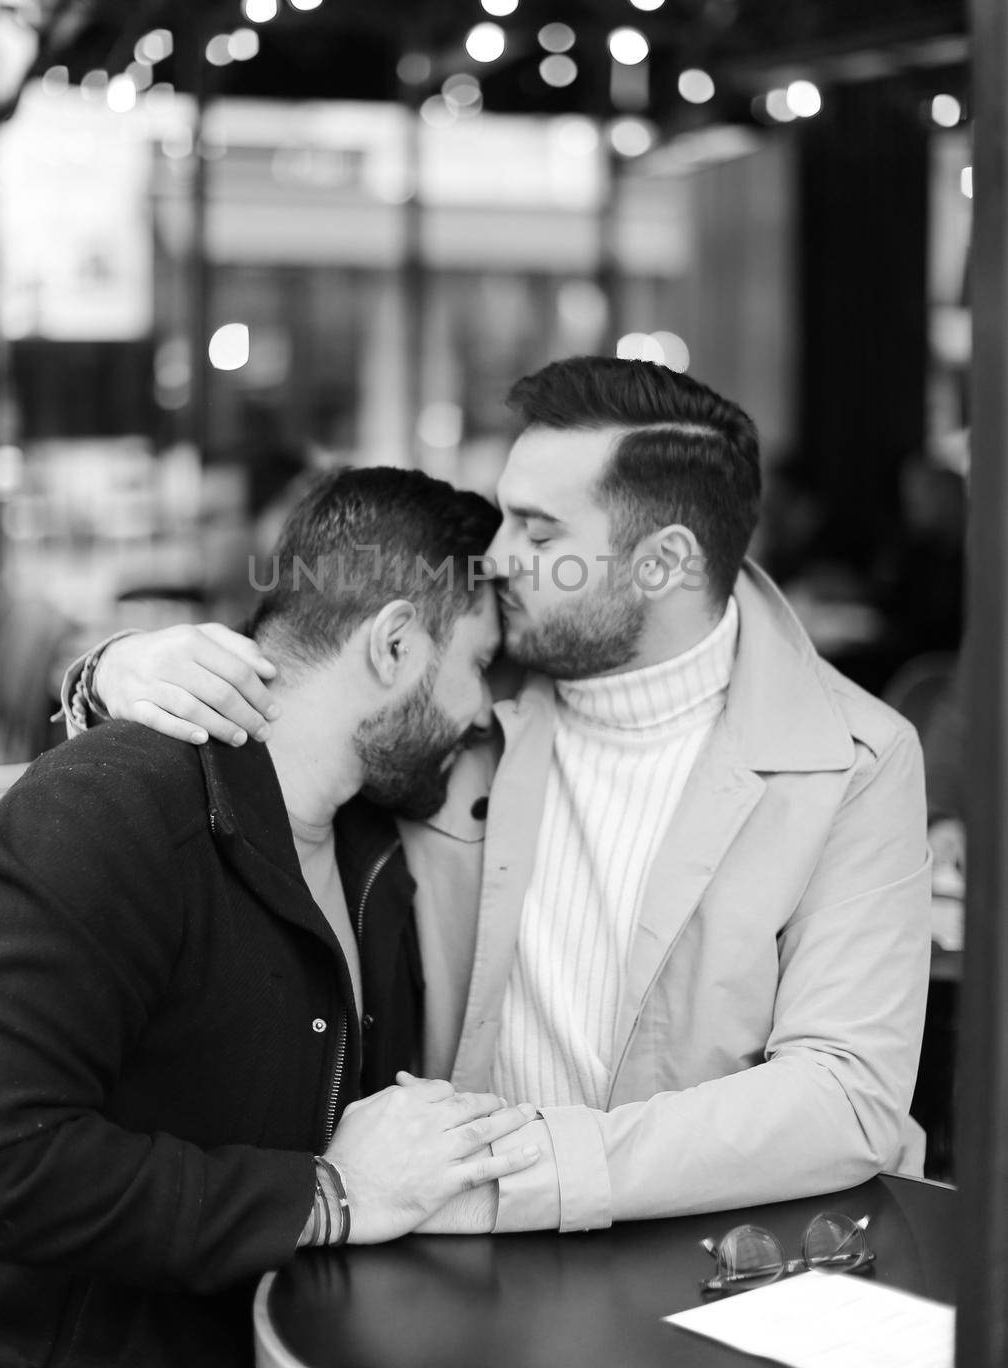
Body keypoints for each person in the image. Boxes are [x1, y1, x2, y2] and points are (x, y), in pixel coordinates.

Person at [70, 355, 932, 1236]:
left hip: (717, 1255)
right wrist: (112, 674)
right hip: (442, 1259)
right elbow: (294, 688)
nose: (498, 556)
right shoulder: (462, 676)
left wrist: (520, 1176)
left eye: (540, 530)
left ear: (664, 561)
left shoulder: (853, 759)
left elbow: (845, 1094)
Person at [0, 468, 540, 1368]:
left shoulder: (376, 842)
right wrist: (324, 1194)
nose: (482, 710)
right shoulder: (117, 808)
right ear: (395, 643)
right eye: (479, 664)